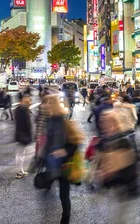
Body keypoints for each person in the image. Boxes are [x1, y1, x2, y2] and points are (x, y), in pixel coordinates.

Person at [40, 95, 84, 224]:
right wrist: (41, 157)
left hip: (64, 164)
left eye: (48, 104)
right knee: (46, 183)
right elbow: (47, 141)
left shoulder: (65, 122)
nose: (44, 106)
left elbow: (76, 142)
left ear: (53, 106)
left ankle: (65, 219)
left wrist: (64, 151)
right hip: (51, 163)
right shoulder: (48, 121)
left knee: (64, 195)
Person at [14, 93, 33, 179]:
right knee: (22, 154)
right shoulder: (24, 109)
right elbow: (27, 124)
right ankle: (19, 171)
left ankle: (20, 170)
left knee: (21, 153)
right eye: (29, 99)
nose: (31, 101)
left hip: (19, 133)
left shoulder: (18, 109)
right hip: (23, 134)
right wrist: (29, 133)